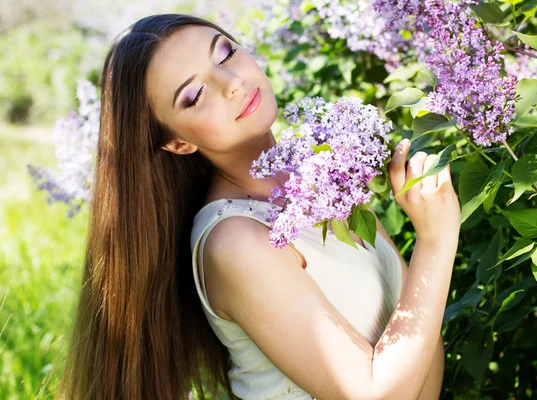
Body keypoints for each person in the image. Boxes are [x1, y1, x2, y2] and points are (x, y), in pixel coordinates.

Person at [60, 13, 461, 400]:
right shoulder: (236, 241)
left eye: (226, 53)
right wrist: (436, 239)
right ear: (177, 142)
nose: (231, 82)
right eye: (195, 94)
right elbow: (375, 394)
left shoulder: (317, 179)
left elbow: (411, 323)